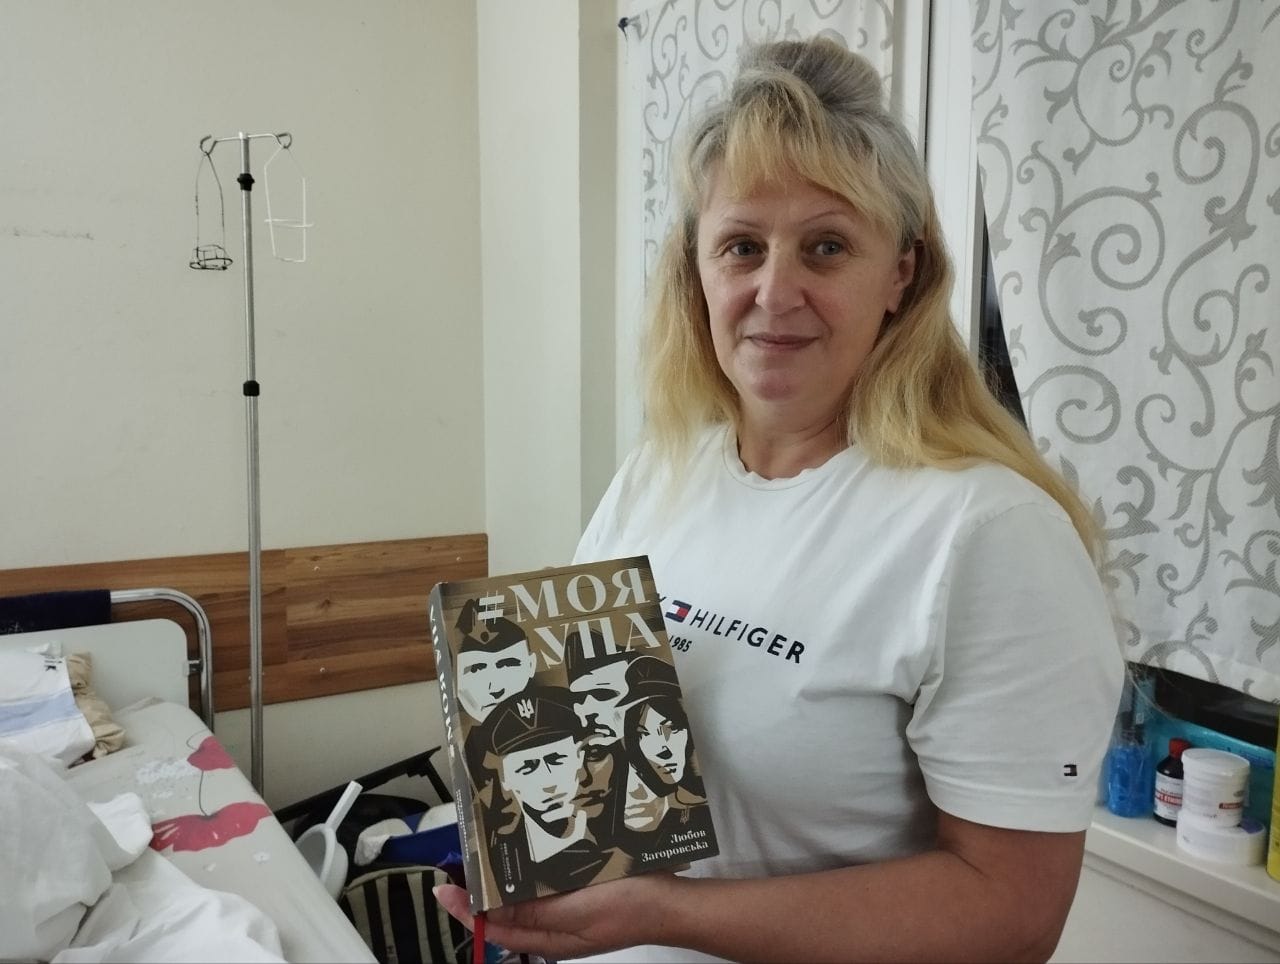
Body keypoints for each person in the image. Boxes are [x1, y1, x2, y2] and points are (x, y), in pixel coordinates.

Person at [436, 35, 1123, 962]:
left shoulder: (987, 533)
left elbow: (1012, 917)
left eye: (826, 247)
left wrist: (668, 913)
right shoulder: (662, 471)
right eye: (742, 246)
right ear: (697, 270)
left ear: (901, 273)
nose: (775, 289)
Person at [472, 686, 630, 905]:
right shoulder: (501, 863)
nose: (548, 782)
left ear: (579, 758)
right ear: (505, 779)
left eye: (556, 760)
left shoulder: (619, 845)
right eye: (527, 768)